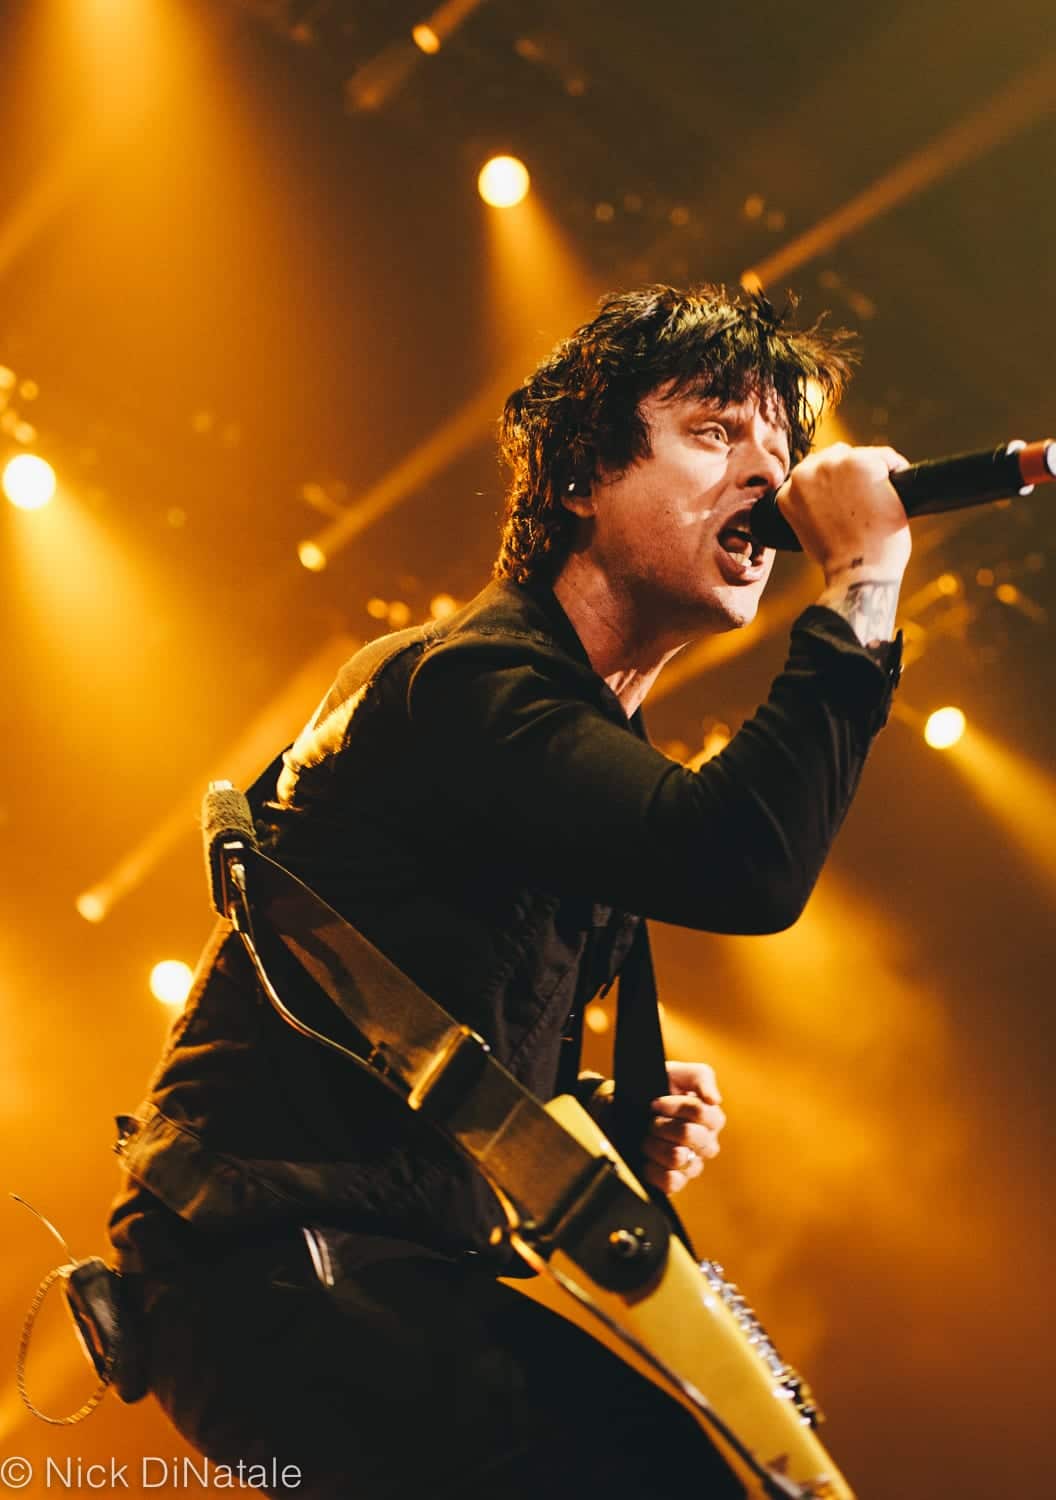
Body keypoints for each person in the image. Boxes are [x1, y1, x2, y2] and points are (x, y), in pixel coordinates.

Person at [107, 284, 911, 1498]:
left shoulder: (562, 734)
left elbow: (412, 1039)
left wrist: (586, 1116)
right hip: (269, 1258)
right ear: (581, 476)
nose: (768, 475)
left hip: (346, 1262)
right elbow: (740, 861)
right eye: (713, 433)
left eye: (780, 448)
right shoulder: (474, 683)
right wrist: (860, 582)